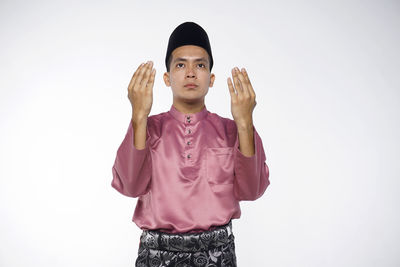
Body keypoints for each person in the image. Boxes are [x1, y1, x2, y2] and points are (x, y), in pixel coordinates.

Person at [111, 21, 270, 267]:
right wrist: (138, 116)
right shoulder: (148, 128)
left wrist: (246, 122)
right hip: (157, 254)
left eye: (200, 65)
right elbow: (130, 186)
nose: (191, 72)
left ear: (211, 78)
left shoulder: (231, 130)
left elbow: (253, 190)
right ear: (167, 77)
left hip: (216, 254)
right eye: (181, 64)